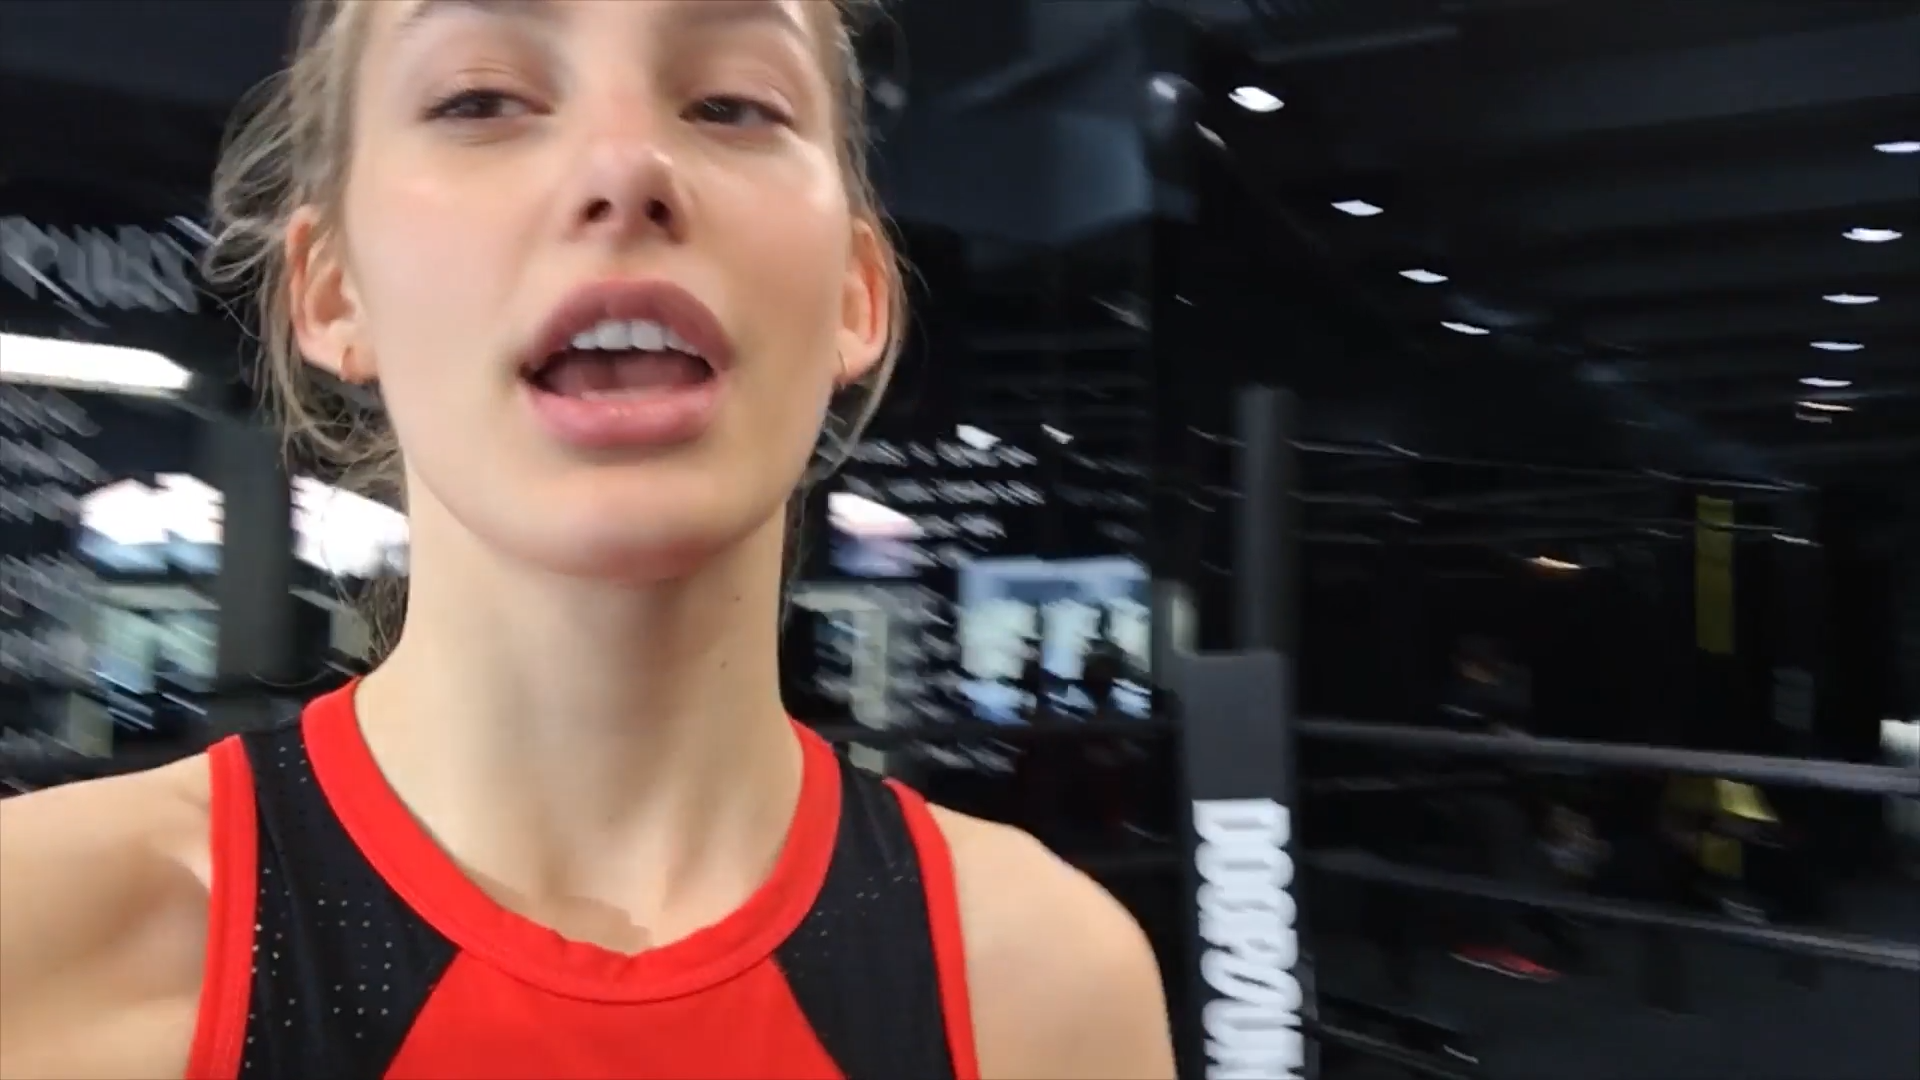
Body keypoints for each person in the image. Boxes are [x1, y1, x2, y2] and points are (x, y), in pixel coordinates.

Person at [0, 2, 1176, 1077]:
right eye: (480, 98)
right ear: (332, 290)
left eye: (733, 104)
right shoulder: (39, 949)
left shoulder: (1042, 990)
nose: (626, 167)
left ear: (857, 295)